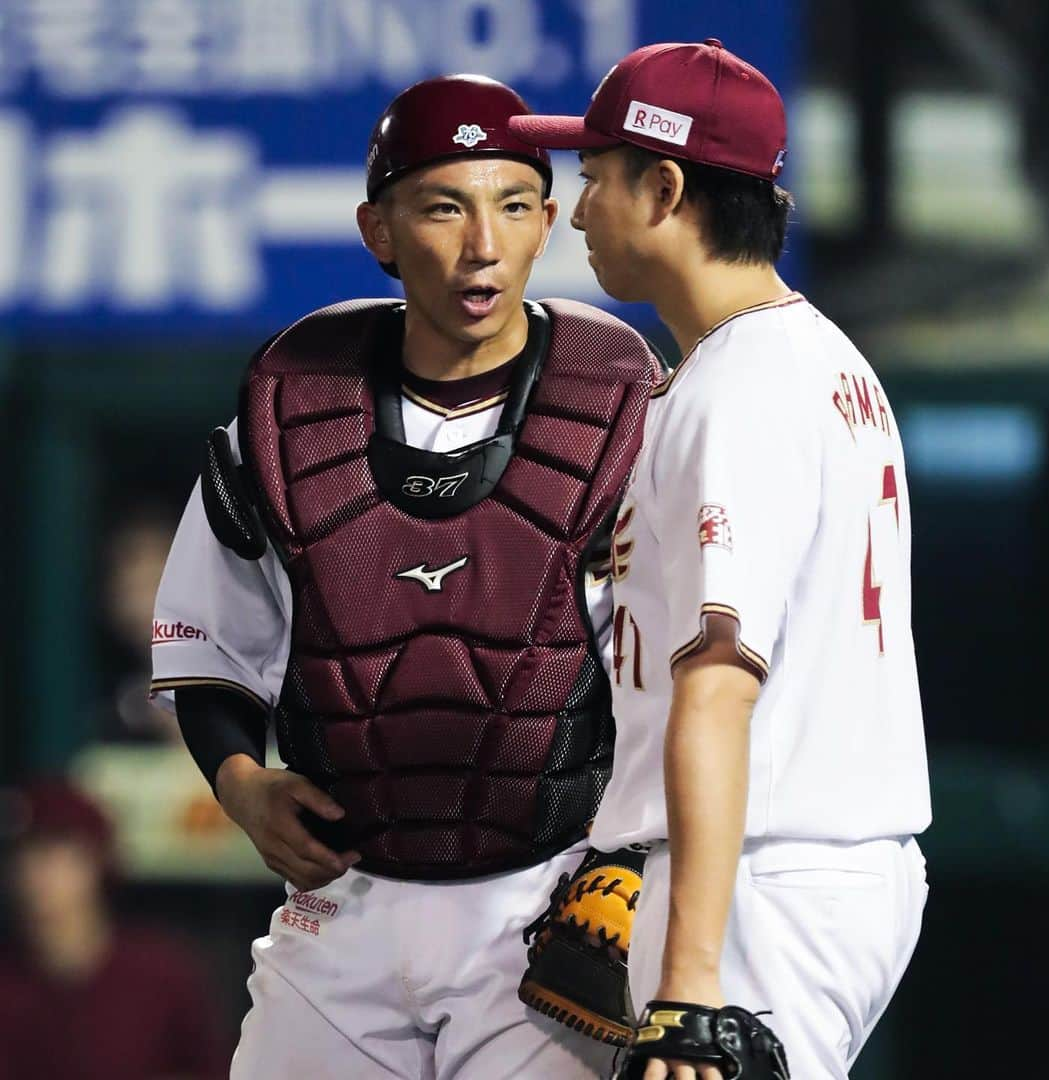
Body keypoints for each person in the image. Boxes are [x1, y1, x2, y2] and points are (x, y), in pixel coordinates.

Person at [149, 74, 661, 1078]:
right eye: (444, 206)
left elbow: (687, 678)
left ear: (548, 221)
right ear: (378, 229)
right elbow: (208, 645)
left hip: (550, 899)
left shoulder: (622, 402)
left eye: (514, 205)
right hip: (343, 903)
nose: (484, 243)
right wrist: (243, 788)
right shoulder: (294, 402)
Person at [510, 38, 932, 1079]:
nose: (574, 211)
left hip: (760, 888)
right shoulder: (820, 359)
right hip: (792, 871)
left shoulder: (738, 388)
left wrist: (691, 981)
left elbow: (719, 688)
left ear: (665, 188)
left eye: (595, 179)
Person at [0, 778, 226, 1080]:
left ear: (97, 860)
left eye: (54, 854)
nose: (35, 875)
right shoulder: (8, 986)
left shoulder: (162, 975)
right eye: (22, 857)